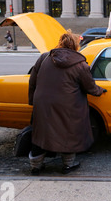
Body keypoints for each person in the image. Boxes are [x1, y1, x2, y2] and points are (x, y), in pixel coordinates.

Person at [28, 30, 105, 175]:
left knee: (41, 133)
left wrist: (32, 101)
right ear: (76, 46)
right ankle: (68, 165)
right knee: (68, 133)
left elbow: (33, 81)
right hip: (68, 105)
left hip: (43, 103)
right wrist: (100, 91)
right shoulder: (80, 65)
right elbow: (90, 87)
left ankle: (35, 166)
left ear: (60, 43)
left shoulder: (45, 57)